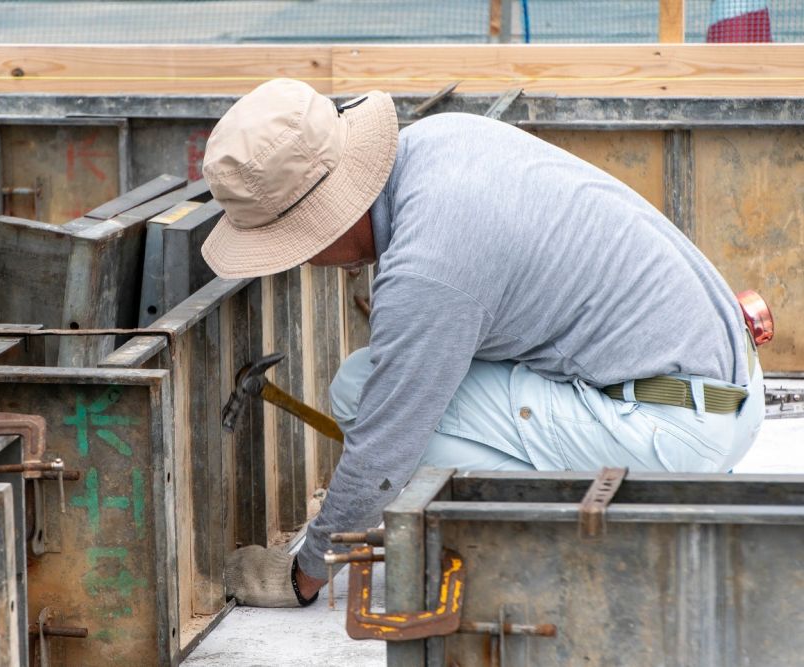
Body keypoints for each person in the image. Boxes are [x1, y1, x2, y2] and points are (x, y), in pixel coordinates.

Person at [198, 78, 765, 608]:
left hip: (676, 433)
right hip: (727, 390)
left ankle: (552, 551)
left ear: (322, 220)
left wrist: (304, 573)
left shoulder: (429, 267)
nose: (299, 262)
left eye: (289, 245)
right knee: (369, 384)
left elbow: (383, 449)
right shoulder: (439, 142)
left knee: (367, 401)